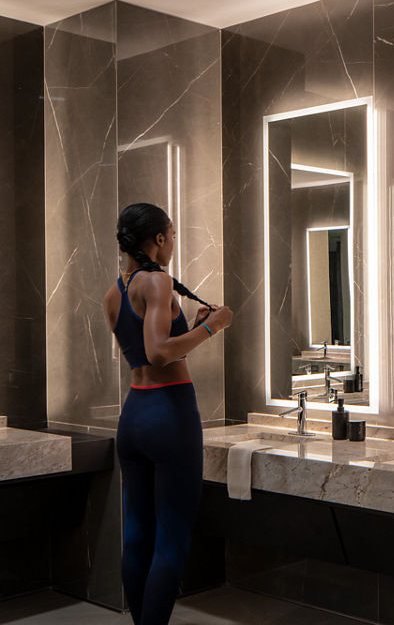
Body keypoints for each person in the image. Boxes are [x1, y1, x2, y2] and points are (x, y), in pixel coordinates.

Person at [102, 203, 233, 625]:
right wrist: (214, 326)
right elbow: (159, 353)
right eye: (171, 235)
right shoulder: (157, 280)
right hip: (170, 413)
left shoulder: (114, 293)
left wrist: (188, 324)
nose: (173, 242)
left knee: (137, 533)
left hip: (134, 416)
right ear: (158, 239)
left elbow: (143, 347)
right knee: (172, 538)